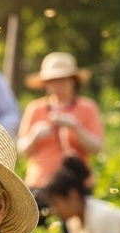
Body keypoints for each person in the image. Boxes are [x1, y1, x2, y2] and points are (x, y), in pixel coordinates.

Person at [17, 51, 104, 200]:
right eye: (53, 80)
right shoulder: (35, 109)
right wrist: (35, 134)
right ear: (46, 83)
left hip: (76, 186)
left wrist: (77, 128)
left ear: (73, 81)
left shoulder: (87, 108)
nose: (58, 85)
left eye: (63, 80)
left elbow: (97, 147)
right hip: (40, 184)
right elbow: (22, 150)